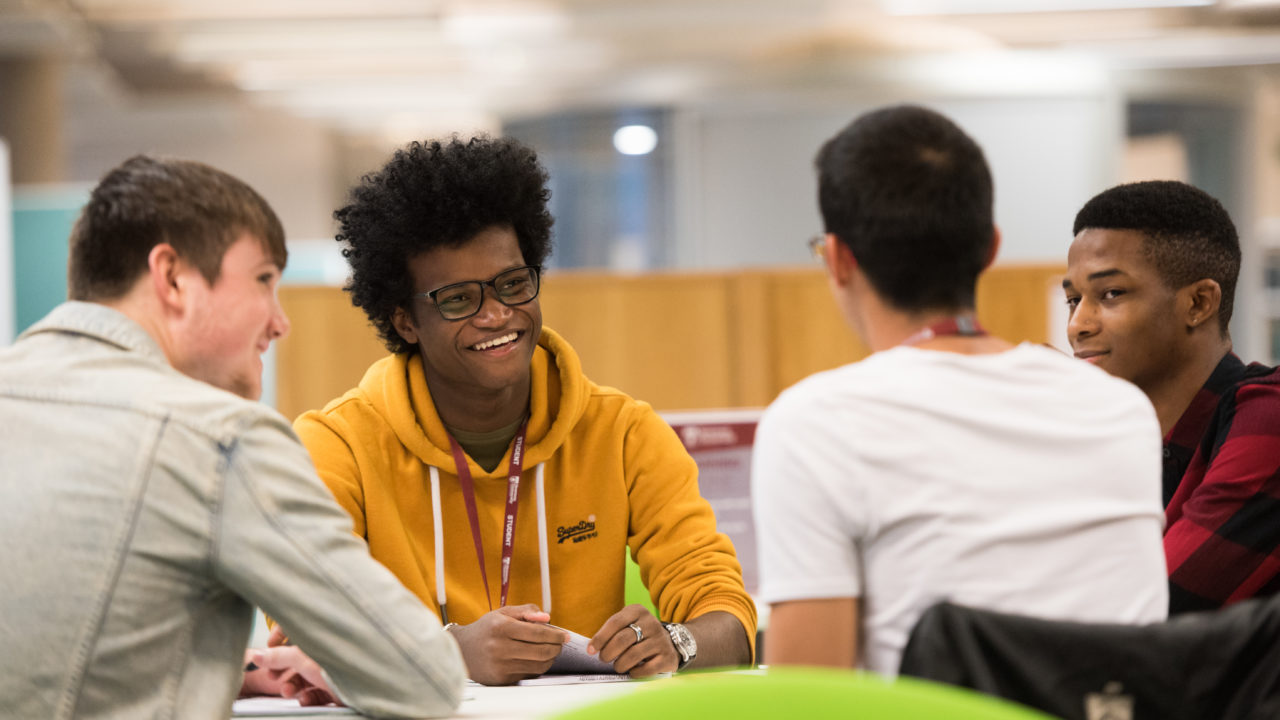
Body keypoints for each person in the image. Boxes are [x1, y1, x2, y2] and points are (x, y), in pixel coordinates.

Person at [0, 156, 465, 719]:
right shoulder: (218, 440)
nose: (279, 321)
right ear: (172, 277)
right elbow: (422, 676)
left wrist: (231, 669)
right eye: (264, 280)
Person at [294, 135, 756, 686]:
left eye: (513, 284)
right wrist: (450, 652)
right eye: (460, 299)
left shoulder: (622, 432)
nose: (498, 316)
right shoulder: (335, 445)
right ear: (405, 322)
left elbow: (729, 618)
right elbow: (301, 628)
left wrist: (676, 643)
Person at [751, 105, 1169, 675]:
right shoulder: (1120, 411)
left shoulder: (816, 423)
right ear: (990, 248)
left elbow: (807, 698)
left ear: (840, 259)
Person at [1064, 180, 1280, 614]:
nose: (1077, 326)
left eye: (1110, 294)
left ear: (1199, 303)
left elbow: (1149, 611)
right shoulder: (1123, 437)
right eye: (1073, 300)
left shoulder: (1268, 418)